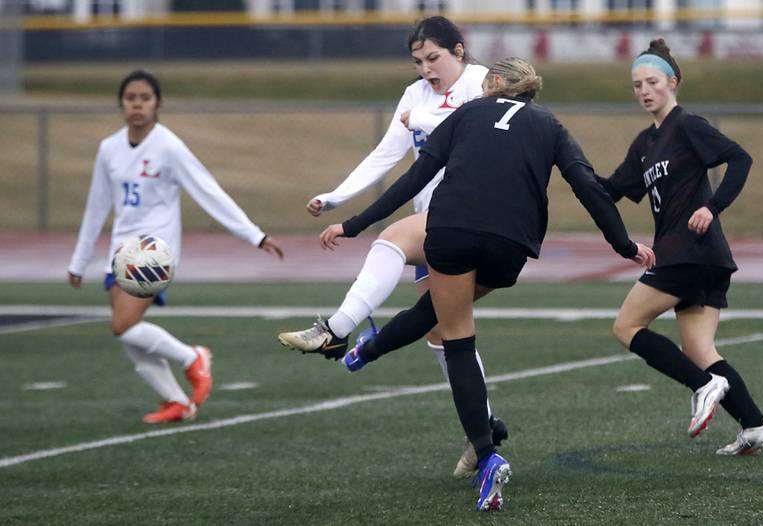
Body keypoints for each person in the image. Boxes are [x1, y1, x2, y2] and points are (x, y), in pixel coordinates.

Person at [319, 57, 654, 511]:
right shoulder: (550, 126)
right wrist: (623, 245)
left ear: (494, 83)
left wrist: (354, 225)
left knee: (455, 337)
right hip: (510, 249)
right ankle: (367, 349)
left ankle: (487, 454)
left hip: (454, 232)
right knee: (436, 311)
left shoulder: (468, 113)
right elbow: (587, 186)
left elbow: (414, 178)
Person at [276, 16, 507, 478]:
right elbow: (385, 153)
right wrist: (336, 196)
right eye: (418, 61)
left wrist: (420, 119)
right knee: (443, 333)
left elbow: (479, 124)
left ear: (459, 50)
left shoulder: (484, 82)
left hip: (475, 218)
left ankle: (337, 328)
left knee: (392, 248)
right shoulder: (415, 96)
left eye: (434, 58)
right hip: (437, 228)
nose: (425, 69)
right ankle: (482, 432)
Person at [68, 70, 283, 424]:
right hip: (120, 251)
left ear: (157, 104)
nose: (137, 105)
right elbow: (96, 207)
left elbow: (207, 190)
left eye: (145, 98)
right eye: (130, 98)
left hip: (155, 249)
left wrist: (253, 234)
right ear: (121, 104)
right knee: (128, 334)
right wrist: (78, 261)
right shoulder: (109, 149)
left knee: (122, 325)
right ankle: (176, 401)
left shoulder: (168, 146)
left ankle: (192, 357)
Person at [595, 39, 763, 455]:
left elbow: (740, 158)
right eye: (637, 84)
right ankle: (755, 425)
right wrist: (567, 166)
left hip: (690, 252)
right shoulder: (644, 144)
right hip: (699, 258)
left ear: (672, 82)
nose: (644, 90)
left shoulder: (687, 125)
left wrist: (713, 207)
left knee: (625, 327)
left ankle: (704, 386)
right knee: (698, 349)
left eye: (652, 81)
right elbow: (612, 190)